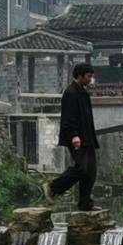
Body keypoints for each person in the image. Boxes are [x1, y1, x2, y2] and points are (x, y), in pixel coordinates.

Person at [47, 61, 99, 210]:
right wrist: (74, 136)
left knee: (91, 172)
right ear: (80, 75)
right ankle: (52, 187)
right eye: (88, 76)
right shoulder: (70, 92)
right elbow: (69, 118)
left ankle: (85, 204)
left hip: (87, 138)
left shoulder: (83, 92)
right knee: (82, 168)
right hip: (76, 138)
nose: (90, 79)